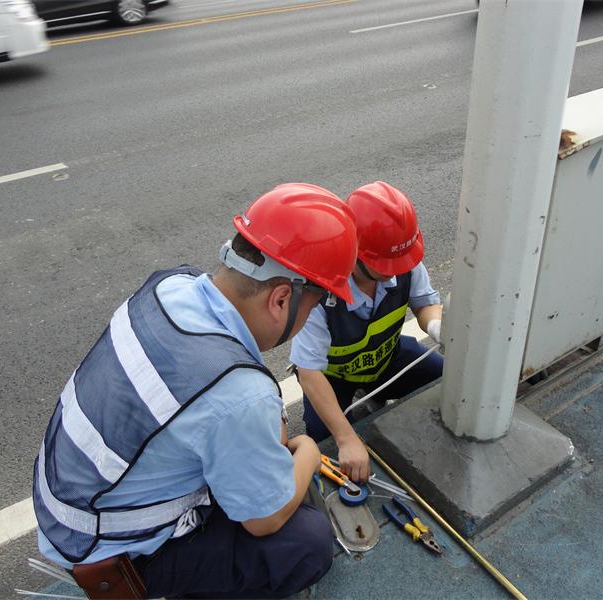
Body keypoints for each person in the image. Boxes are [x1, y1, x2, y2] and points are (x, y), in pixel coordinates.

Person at [32, 183, 359, 599]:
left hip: (67, 500)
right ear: (281, 300)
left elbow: (243, 417)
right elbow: (265, 518)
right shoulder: (239, 392)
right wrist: (310, 451)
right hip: (102, 548)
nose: (311, 316)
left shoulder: (170, 288)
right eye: (317, 304)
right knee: (307, 541)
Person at [290, 181, 444, 483]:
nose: (394, 270)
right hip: (334, 379)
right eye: (384, 264)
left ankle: (374, 396)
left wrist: (436, 325)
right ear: (353, 250)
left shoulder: (403, 262)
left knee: (448, 380)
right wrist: (347, 439)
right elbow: (309, 373)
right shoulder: (319, 290)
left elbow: (426, 303)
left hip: (389, 360)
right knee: (327, 445)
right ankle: (358, 408)